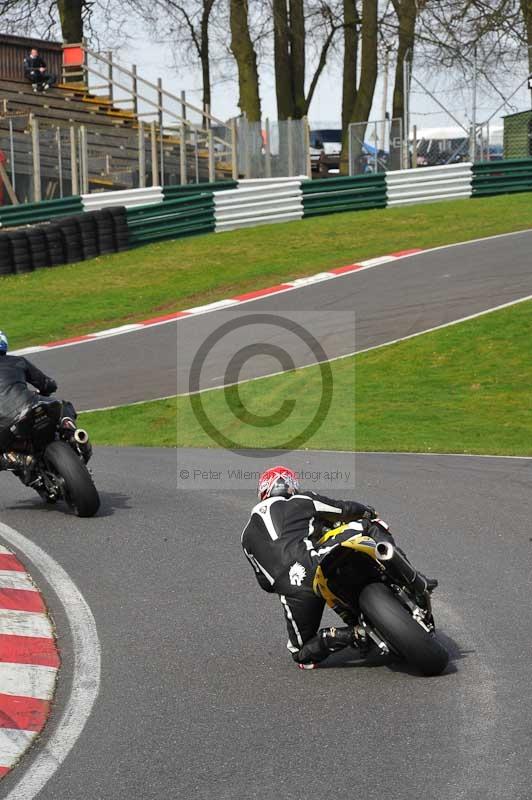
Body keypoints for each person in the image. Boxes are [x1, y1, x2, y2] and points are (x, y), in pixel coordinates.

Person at [241, 465, 436, 670]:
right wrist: (369, 511)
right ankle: (413, 579)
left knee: (301, 653)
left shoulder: (245, 537)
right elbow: (343, 509)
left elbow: (265, 583)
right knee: (370, 525)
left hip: (293, 591)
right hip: (315, 560)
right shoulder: (301, 500)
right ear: (291, 487)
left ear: (263, 491)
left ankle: (353, 634)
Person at [0, 331, 78, 479]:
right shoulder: (18, 361)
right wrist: (47, 388)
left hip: (4, 424)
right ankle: (72, 431)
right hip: (30, 405)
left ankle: (14, 458)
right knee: (62, 405)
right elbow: (47, 384)